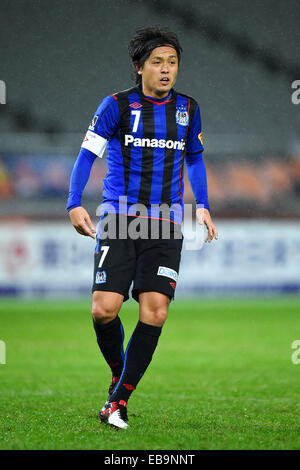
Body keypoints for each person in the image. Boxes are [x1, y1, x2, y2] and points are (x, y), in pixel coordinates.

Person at [66, 26, 218, 429]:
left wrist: (202, 206)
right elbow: (86, 156)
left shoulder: (188, 108)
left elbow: (195, 159)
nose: (166, 70)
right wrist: (74, 202)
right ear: (139, 67)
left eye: (172, 62)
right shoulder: (116, 105)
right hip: (119, 218)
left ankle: (118, 401)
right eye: (157, 62)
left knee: (156, 311)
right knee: (104, 310)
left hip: (166, 223)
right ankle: (119, 376)